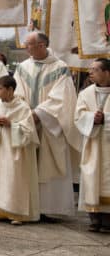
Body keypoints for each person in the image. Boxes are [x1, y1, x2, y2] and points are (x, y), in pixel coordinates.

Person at [14, 31, 81, 220]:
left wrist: (39, 114)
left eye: (29, 44)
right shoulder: (23, 67)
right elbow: (17, 93)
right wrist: (25, 112)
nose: (26, 48)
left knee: (49, 164)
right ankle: (27, 207)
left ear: (42, 45)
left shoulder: (60, 68)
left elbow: (63, 98)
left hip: (50, 125)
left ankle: (48, 208)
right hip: (28, 122)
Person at [0, 75, 40, 224]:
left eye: (0, 89)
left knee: (14, 178)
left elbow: (29, 130)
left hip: (15, 151)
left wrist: (12, 124)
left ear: (10, 90)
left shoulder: (23, 107)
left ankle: (16, 212)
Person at [75, 58, 110, 232]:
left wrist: (106, 118)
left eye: (95, 69)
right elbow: (78, 115)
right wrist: (91, 118)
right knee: (91, 178)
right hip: (93, 143)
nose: (90, 72)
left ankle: (108, 219)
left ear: (106, 72)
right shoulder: (85, 93)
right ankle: (95, 218)